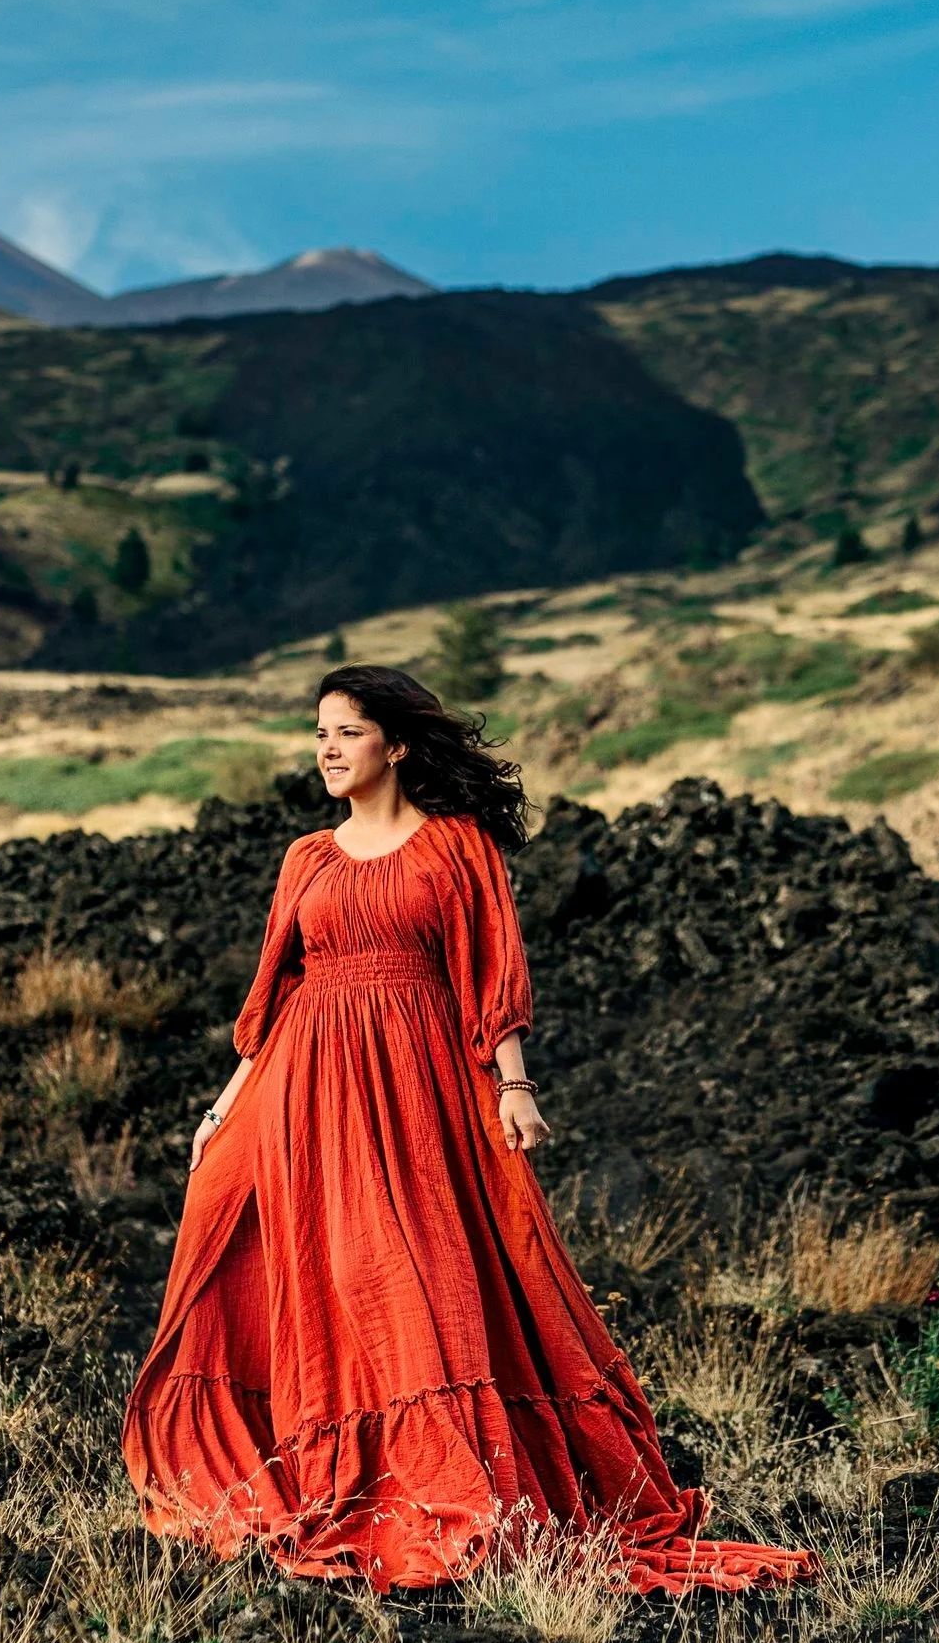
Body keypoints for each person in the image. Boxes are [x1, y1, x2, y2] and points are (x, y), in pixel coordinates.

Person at [121, 664, 814, 1593]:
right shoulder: (306, 861)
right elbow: (275, 992)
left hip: (418, 1089)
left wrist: (513, 1084)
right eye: (318, 733)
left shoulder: (456, 848)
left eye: (347, 733)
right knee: (294, 1256)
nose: (326, 750)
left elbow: (493, 971)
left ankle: (444, 1474)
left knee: (421, 1271)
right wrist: (224, 1102)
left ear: (396, 745)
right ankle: (308, 1455)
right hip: (304, 1086)